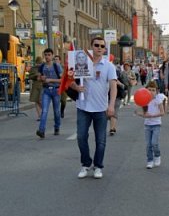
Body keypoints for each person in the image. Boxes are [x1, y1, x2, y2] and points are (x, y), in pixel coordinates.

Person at [70, 37, 117, 179]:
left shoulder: (108, 66)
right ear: (91, 46)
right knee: (81, 137)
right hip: (83, 106)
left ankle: (98, 166)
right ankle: (86, 164)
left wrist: (111, 105)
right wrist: (76, 87)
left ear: (104, 49)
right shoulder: (82, 61)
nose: (99, 48)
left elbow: (113, 86)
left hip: (101, 108)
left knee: (100, 140)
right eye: (96, 45)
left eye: (102, 46)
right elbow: (69, 79)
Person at [135, 80, 166, 169]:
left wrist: (152, 115)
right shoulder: (145, 100)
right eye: (149, 90)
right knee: (148, 144)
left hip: (156, 124)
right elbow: (145, 115)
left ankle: (157, 155)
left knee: (154, 143)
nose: (151, 92)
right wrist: (139, 113)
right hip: (147, 125)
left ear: (156, 91)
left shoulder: (158, 100)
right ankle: (150, 160)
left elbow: (162, 113)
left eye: (153, 90)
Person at [36, 48, 63, 138]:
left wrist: (50, 80)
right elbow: (38, 78)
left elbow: (62, 80)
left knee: (56, 111)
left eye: (49, 55)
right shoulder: (42, 66)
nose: (47, 57)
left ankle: (57, 127)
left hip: (56, 90)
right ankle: (41, 130)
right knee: (44, 110)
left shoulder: (56, 66)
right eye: (46, 55)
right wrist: (41, 79)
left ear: (52, 55)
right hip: (46, 90)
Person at [109, 67, 128, 136]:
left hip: (117, 97)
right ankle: (112, 127)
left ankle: (112, 128)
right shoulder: (106, 79)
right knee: (109, 114)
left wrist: (119, 83)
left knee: (114, 112)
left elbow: (125, 87)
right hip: (106, 98)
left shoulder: (119, 80)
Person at [28, 57, 43, 121]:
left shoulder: (44, 67)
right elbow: (30, 76)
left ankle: (44, 111)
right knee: (36, 100)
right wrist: (35, 75)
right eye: (37, 63)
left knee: (40, 100)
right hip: (35, 85)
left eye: (40, 63)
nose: (38, 64)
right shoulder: (33, 68)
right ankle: (39, 116)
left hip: (42, 85)